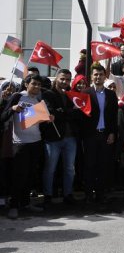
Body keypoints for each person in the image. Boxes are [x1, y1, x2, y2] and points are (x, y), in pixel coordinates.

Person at [1, 75, 53, 219]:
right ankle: (13, 206)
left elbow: (37, 119)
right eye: (34, 84)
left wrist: (49, 118)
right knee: (19, 176)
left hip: (36, 141)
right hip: (20, 143)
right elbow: (3, 116)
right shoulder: (17, 96)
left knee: (31, 175)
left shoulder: (38, 99)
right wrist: (12, 108)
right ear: (26, 84)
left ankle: (25, 203)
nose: (36, 87)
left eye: (38, 85)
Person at [41, 68, 82, 207]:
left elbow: (77, 115)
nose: (65, 81)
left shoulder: (71, 95)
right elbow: (51, 112)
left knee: (70, 168)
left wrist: (63, 112)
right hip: (53, 138)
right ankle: (47, 195)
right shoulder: (47, 94)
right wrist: (68, 112)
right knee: (50, 168)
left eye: (67, 79)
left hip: (70, 138)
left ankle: (68, 194)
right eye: (62, 79)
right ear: (56, 78)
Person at [81, 64, 118, 204]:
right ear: (91, 76)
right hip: (90, 135)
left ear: (105, 76)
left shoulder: (111, 94)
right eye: (95, 74)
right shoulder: (85, 93)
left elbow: (114, 116)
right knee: (90, 165)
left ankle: (100, 194)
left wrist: (112, 133)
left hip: (105, 135)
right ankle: (88, 194)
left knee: (103, 165)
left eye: (101, 74)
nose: (98, 77)